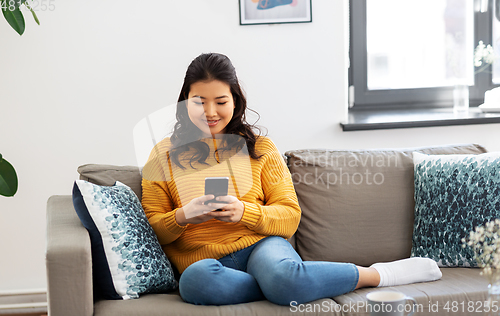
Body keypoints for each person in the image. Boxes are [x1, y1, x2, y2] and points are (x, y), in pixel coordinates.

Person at [141, 53, 442, 306]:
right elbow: (154, 228)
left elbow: (289, 216)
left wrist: (245, 212)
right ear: (184, 101)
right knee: (194, 283)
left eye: (220, 101)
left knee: (282, 276)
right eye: (199, 102)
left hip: (260, 247)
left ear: (235, 100)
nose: (210, 112)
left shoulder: (260, 149)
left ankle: (378, 275)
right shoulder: (163, 154)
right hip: (204, 263)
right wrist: (182, 216)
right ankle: (282, 287)